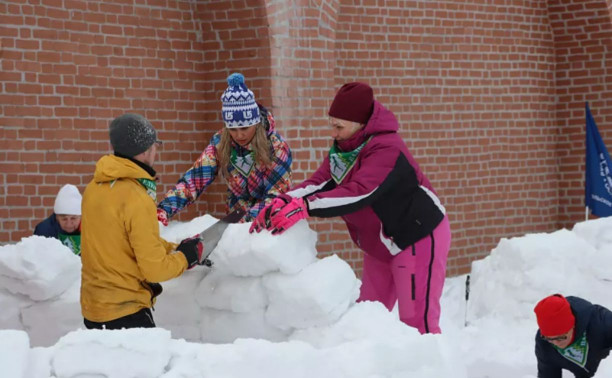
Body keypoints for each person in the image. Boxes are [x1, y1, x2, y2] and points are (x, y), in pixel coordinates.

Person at [251, 82, 451, 334]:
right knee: (366, 320)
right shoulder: (344, 149)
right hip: (380, 245)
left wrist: (303, 207)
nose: (332, 133)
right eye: (331, 124)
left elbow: (359, 192)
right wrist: (283, 200)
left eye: (339, 126)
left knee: (416, 324)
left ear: (360, 124)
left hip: (417, 237)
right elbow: (319, 183)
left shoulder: (387, 148)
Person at [80, 113, 206, 330]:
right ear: (146, 150)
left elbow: (120, 243)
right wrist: (186, 257)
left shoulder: (94, 188)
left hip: (93, 311)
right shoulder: (137, 197)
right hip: (126, 313)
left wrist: (174, 248)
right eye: (155, 146)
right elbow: (155, 270)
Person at [157, 72, 292, 225]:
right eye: (233, 130)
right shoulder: (221, 143)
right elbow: (195, 179)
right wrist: (164, 209)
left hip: (270, 222)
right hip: (234, 221)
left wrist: (245, 221)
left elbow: (278, 195)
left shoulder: (276, 147)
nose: (239, 135)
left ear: (255, 123)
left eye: (245, 128)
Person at [534, 294, 612, 378]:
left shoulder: (603, 323)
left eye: (561, 337)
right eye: (549, 338)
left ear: (573, 326)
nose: (556, 343)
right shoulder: (543, 343)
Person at [34, 184, 82, 256]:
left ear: (81, 216)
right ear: (56, 217)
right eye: (64, 219)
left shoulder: (91, 231)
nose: (69, 224)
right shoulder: (43, 232)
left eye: (73, 218)